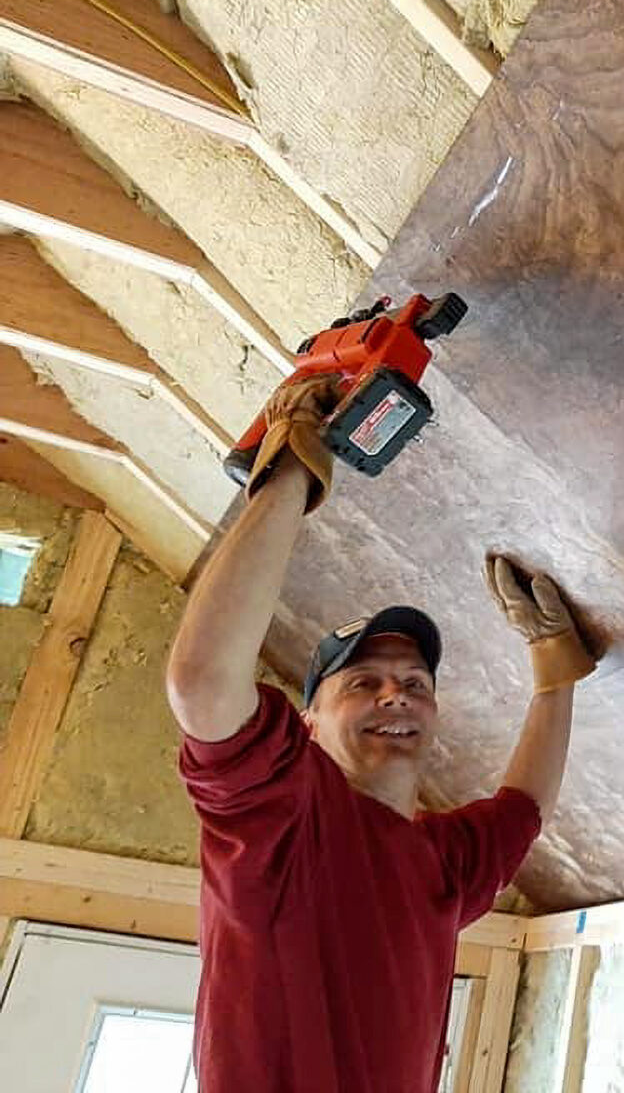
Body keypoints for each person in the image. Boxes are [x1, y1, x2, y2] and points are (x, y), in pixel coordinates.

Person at [164, 376, 594, 1093]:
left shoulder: (439, 861)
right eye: (362, 682)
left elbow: (522, 809)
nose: (396, 691)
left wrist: (554, 670)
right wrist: (293, 468)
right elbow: (204, 682)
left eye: (415, 683)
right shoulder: (285, 822)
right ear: (308, 725)